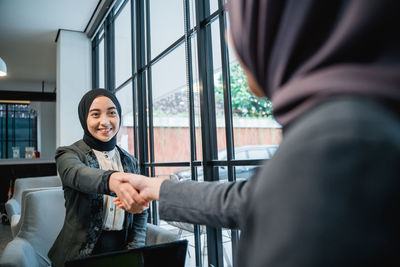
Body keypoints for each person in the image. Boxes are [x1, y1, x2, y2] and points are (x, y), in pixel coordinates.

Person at [115, 0, 400, 266]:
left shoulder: (333, 146)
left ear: (283, 25)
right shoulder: (358, 125)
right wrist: (158, 188)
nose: (229, 38)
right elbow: (250, 198)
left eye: (234, 16)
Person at [48, 89, 148, 267]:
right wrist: (114, 180)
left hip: (121, 249)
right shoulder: (68, 153)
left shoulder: (130, 161)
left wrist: (135, 248)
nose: (105, 121)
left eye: (112, 113)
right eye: (95, 114)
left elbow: (141, 210)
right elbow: (79, 175)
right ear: (84, 119)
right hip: (78, 253)